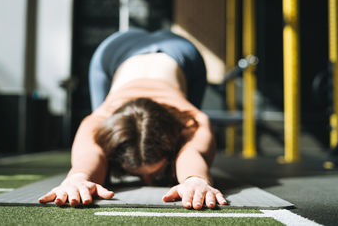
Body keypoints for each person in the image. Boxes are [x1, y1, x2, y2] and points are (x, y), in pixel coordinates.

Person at [38, 28, 227, 209]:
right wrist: (79, 178)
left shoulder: (192, 119)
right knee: (102, 139)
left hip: (184, 55)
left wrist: (195, 180)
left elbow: (192, 151)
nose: (148, 183)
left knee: (193, 139)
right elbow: (90, 154)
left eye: (155, 174)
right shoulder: (98, 120)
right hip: (115, 53)